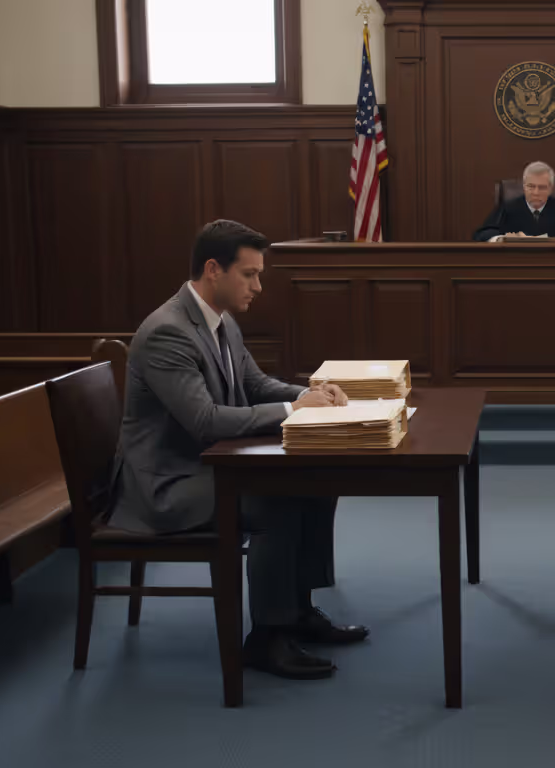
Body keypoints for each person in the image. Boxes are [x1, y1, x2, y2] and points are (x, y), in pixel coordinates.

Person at [108, 219, 370, 681]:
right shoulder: (168, 332)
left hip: (207, 465)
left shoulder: (220, 321)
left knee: (314, 481)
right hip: (167, 483)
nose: (259, 286)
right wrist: (293, 407)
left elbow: (253, 384)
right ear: (214, 270)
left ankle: (299, 612)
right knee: (275, 501)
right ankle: (267, 638)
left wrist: (313, 392)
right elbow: (205, 421)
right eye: (249, 274)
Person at [472, 161, 555, 242]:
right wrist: (501, 239)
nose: (536, 192)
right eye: (531, 186)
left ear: (551, 189)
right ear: (524, 186)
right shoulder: (508, 207)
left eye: (542, 187)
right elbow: (482, 234)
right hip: (515, 265)